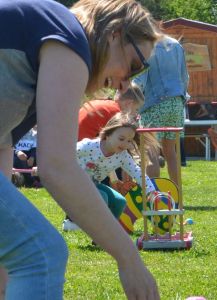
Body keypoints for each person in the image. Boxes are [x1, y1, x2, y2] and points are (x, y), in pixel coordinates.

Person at [0, 0, 160, 299]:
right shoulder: (69, 37)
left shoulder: (37, 54)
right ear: (114, 33)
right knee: (41, 256)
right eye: (135, 66)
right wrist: (129, 259)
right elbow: (57, 167)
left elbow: (2, 146)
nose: (126, 83)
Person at [63, 113, 159, 231]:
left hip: (93, 185)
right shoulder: (88, 146)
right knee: (102, 197)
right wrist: (46, 166)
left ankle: (107, 233)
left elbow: (137, 172)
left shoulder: (122, 156)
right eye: (121, 139)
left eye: (129, 141)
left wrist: (150, 190)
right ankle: (85, 226)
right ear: (108, 135)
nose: (125, 144)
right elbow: (65, 152)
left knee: (120, 202)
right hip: (74, 184)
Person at [134, 36, 190, 187]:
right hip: (177, 102)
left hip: (154, 103)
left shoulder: (145, 45)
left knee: (151, 152)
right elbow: (184, 77)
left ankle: (153, 195)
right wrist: (182, 97)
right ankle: (177, 196)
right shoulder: (175, 44)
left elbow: (139, 79)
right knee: (171, 152)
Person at [78, 84, 145, 141]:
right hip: (81, 148)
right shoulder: (116, 113)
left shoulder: (106, 104)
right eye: (136, 109)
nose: (136, 114)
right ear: (129, 103)